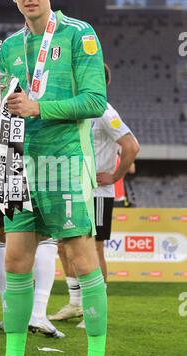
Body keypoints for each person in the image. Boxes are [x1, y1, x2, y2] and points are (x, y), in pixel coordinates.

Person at [0, 0, 107, 356]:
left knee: (81, 262)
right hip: (19, 166)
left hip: (64, 163)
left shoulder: (79, 34)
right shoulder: (6, 47)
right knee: (16, 261)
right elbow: (4, 104)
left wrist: (40, 108)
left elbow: (95, 101)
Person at [49, 63, 139, 324]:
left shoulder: (104, 111)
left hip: (97, 192)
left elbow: (131, 147)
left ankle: (96, 308)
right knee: (63, 245)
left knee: (94, 248)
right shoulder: (77, 109)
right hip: (72, 188)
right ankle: (76, 303)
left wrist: (115, 176)